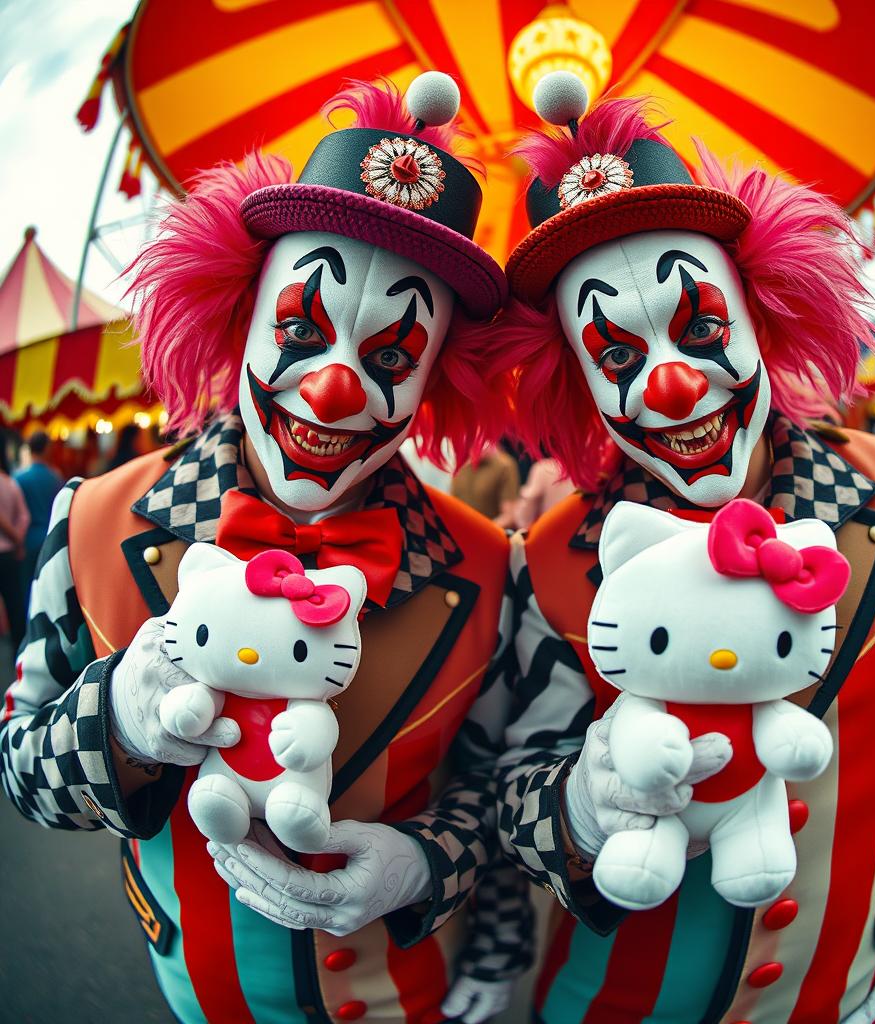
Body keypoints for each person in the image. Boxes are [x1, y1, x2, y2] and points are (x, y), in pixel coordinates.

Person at [490, 76, 875, 1024]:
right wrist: (579, 805)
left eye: (701, 328)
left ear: (761, 313)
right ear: (578, 381)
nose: (671, 384)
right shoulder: (556, 552)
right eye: (616, 356)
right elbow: (510, 788)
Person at [0, 76, 531, 1024]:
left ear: (436, 378)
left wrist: (426, 867)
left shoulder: (491, 563)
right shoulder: (93, 519)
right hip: (197, 995)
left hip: (412, 997)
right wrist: (117, 718)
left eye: (392, 356)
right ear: (239, 314)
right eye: (299, 328)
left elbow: (496, 790)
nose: (333, 391)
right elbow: (22, 772)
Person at [13, 430, 62, 611]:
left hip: (27, 541)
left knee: (28, 588)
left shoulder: (18, 478)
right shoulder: (56, 477)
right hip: (51, 539)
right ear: (47, 448)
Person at [0, 439, 29, 652]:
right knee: (15, 605)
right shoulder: (10, 482)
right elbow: (24, 516)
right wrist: (18, 539)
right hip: (10, 554)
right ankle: (18, 655)